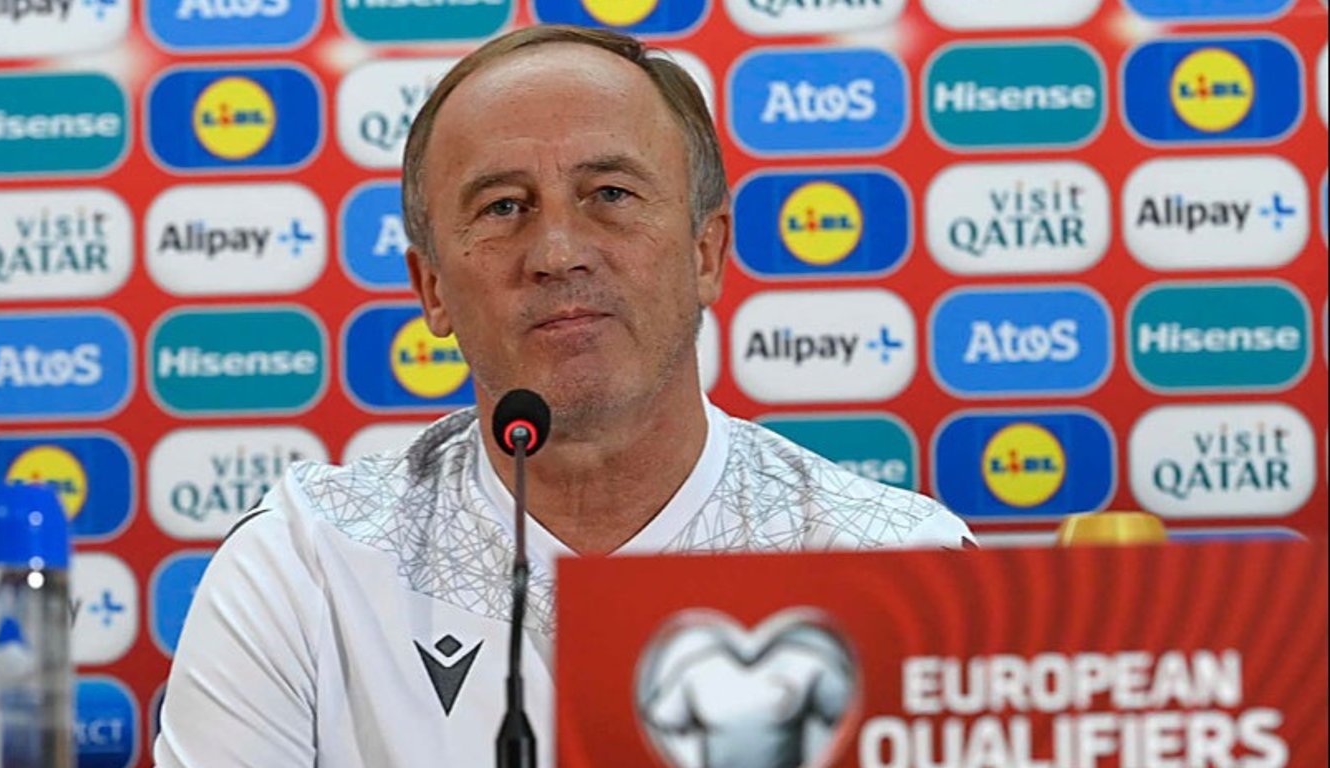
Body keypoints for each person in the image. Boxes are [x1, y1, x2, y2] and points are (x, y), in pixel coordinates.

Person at [153, 24, 974, 767]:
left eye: (610, 194)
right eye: (503, 207)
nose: (557, 252)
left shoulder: (900, 568)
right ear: (431, 289)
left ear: (706, 252)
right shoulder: (306, 564)